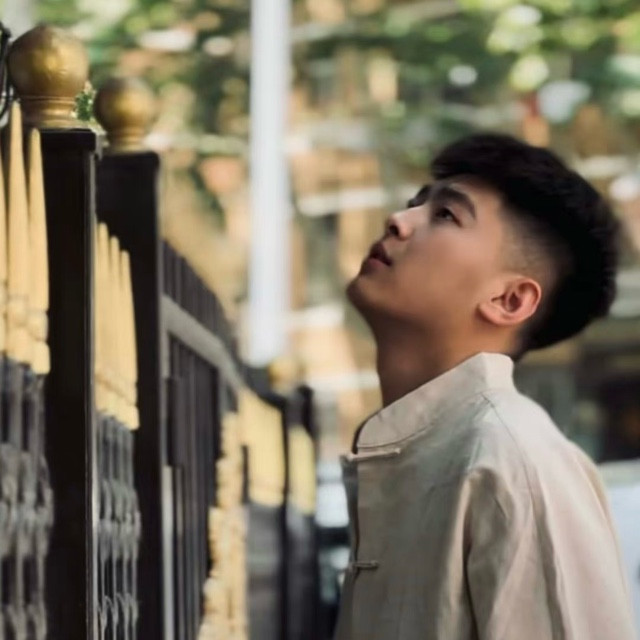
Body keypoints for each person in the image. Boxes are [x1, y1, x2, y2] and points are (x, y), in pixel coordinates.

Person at [335, 133, 637, 640]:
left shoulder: (512, 462)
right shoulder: (423, 451)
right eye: (415, 203)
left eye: (445, 215)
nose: (398, 220)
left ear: (509, 300)